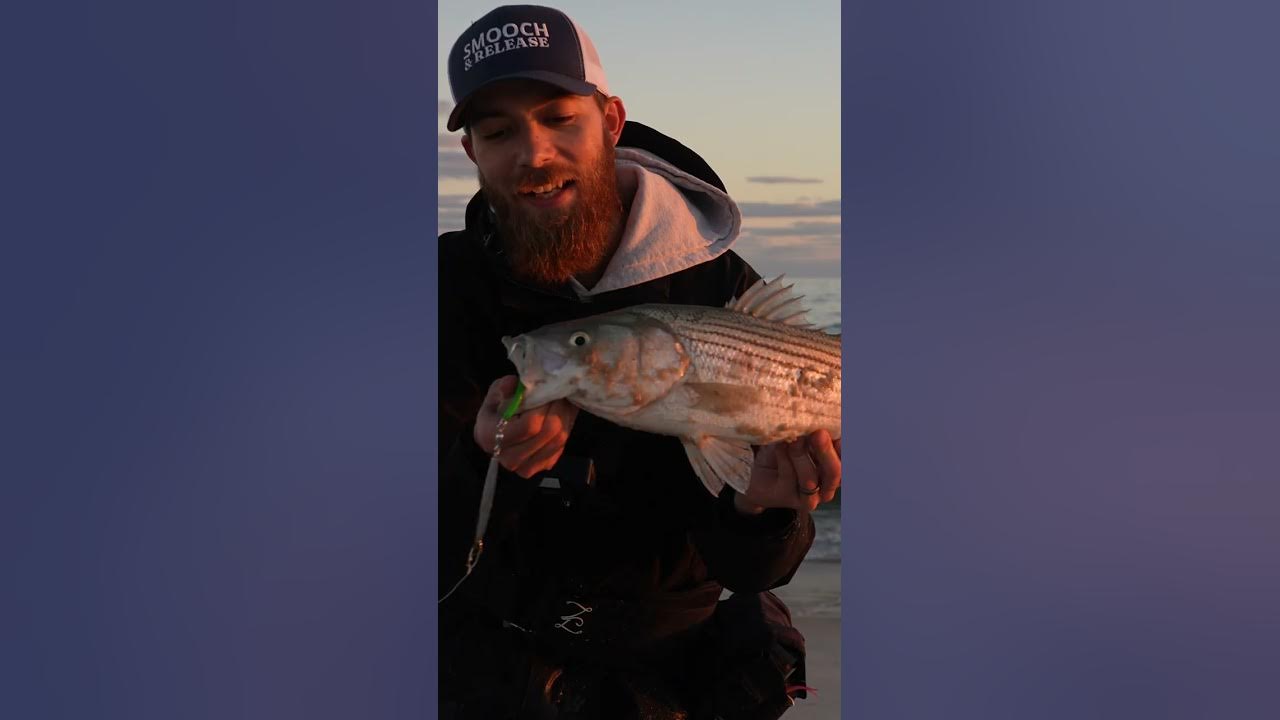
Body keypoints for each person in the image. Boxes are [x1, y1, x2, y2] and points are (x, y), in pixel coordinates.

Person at [437, 6, 841, 718]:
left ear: (612, 122)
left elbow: (751, 571)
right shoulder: (439, 289)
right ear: (472, 152)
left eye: (560, 117)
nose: (534, 153)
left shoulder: (722, 291)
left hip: (677, 666)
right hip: (485, 662)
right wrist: (480, 465)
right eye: (499, 131)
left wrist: (765, 514)